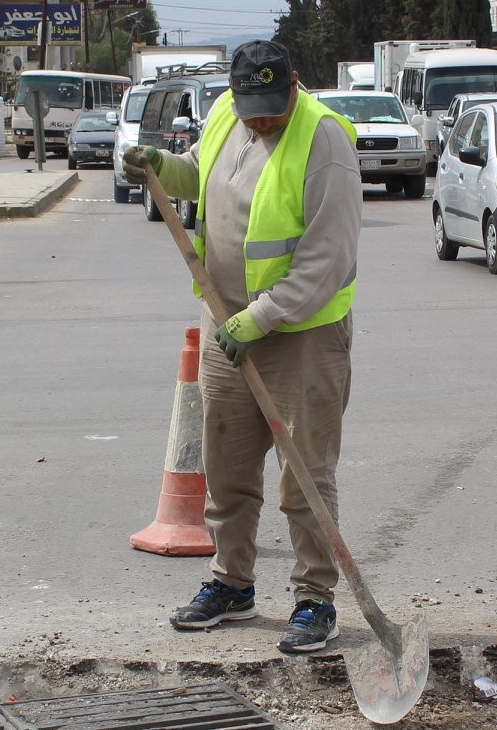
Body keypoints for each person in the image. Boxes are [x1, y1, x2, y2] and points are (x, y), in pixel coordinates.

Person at [121, 40, 363, 656]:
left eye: (271, 106)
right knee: (226, 466)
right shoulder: (229, 114)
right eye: (250, 106)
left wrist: (255, 322)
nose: (260, 120)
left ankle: (315, 597)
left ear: (294, 84)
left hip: (299, 335)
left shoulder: (325, 140)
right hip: (228, 322)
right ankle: (232, 584)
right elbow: (200, 176)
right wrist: (156, 164)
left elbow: (324, 260)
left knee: (304, 474)